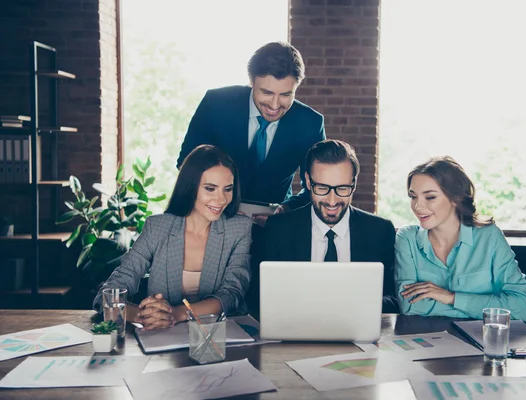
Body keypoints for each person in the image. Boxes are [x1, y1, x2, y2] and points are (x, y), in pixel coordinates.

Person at [93, 145, 253, 330]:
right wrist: (144, 315)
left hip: (218, 337)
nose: (221, 199)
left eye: (228, 189)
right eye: (210, 189)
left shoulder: (239, 229)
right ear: (190, 187)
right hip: (163, 338)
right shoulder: (158, 227)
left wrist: (177, 313)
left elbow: (232, 294)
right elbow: (109, 293)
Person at [176, 41, 326, 223]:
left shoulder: (310, 123)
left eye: (286, 95)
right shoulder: (216, 104)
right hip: (212, 220)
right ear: (251, 81)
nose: (274, 104)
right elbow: (187, 164)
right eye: (267, 93)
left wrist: (287, 209)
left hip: (273, 227)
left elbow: (319, 186)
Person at [261, 140, 399, 313]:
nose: (332, 201)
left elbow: (394, 300)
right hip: (296, 333)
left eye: (342, 188)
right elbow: (261, 297)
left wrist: (353, 302)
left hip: (358, 334)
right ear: (308, 182)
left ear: (354, 184)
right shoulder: (278, 229)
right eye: (322, 188)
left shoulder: (380, 231)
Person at [394, 156, 526, 321]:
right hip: (427, 341)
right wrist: (485, 309)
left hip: (483, 342)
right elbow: (410, 306)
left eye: (430, 197)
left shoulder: (489, 237)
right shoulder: (407, 239)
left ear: (455, 198)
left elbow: (523, 307)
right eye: (413, 196)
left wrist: (451, 297)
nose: (417, 206)